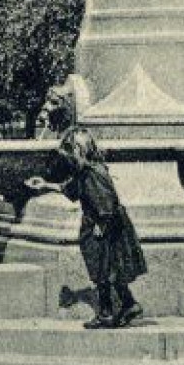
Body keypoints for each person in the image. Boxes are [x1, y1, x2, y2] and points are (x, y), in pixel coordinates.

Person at [26, 126, 149, 329]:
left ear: (78, 150)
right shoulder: (88, 171)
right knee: (109, 268)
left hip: (102, 224)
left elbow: (107, 201)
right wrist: (45, 184)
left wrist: (102, 224)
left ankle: (107, 313)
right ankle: (128, 305)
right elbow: (72, 188)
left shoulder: (92, 173)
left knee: (102, 269)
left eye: (70, 153)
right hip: (103, 223)